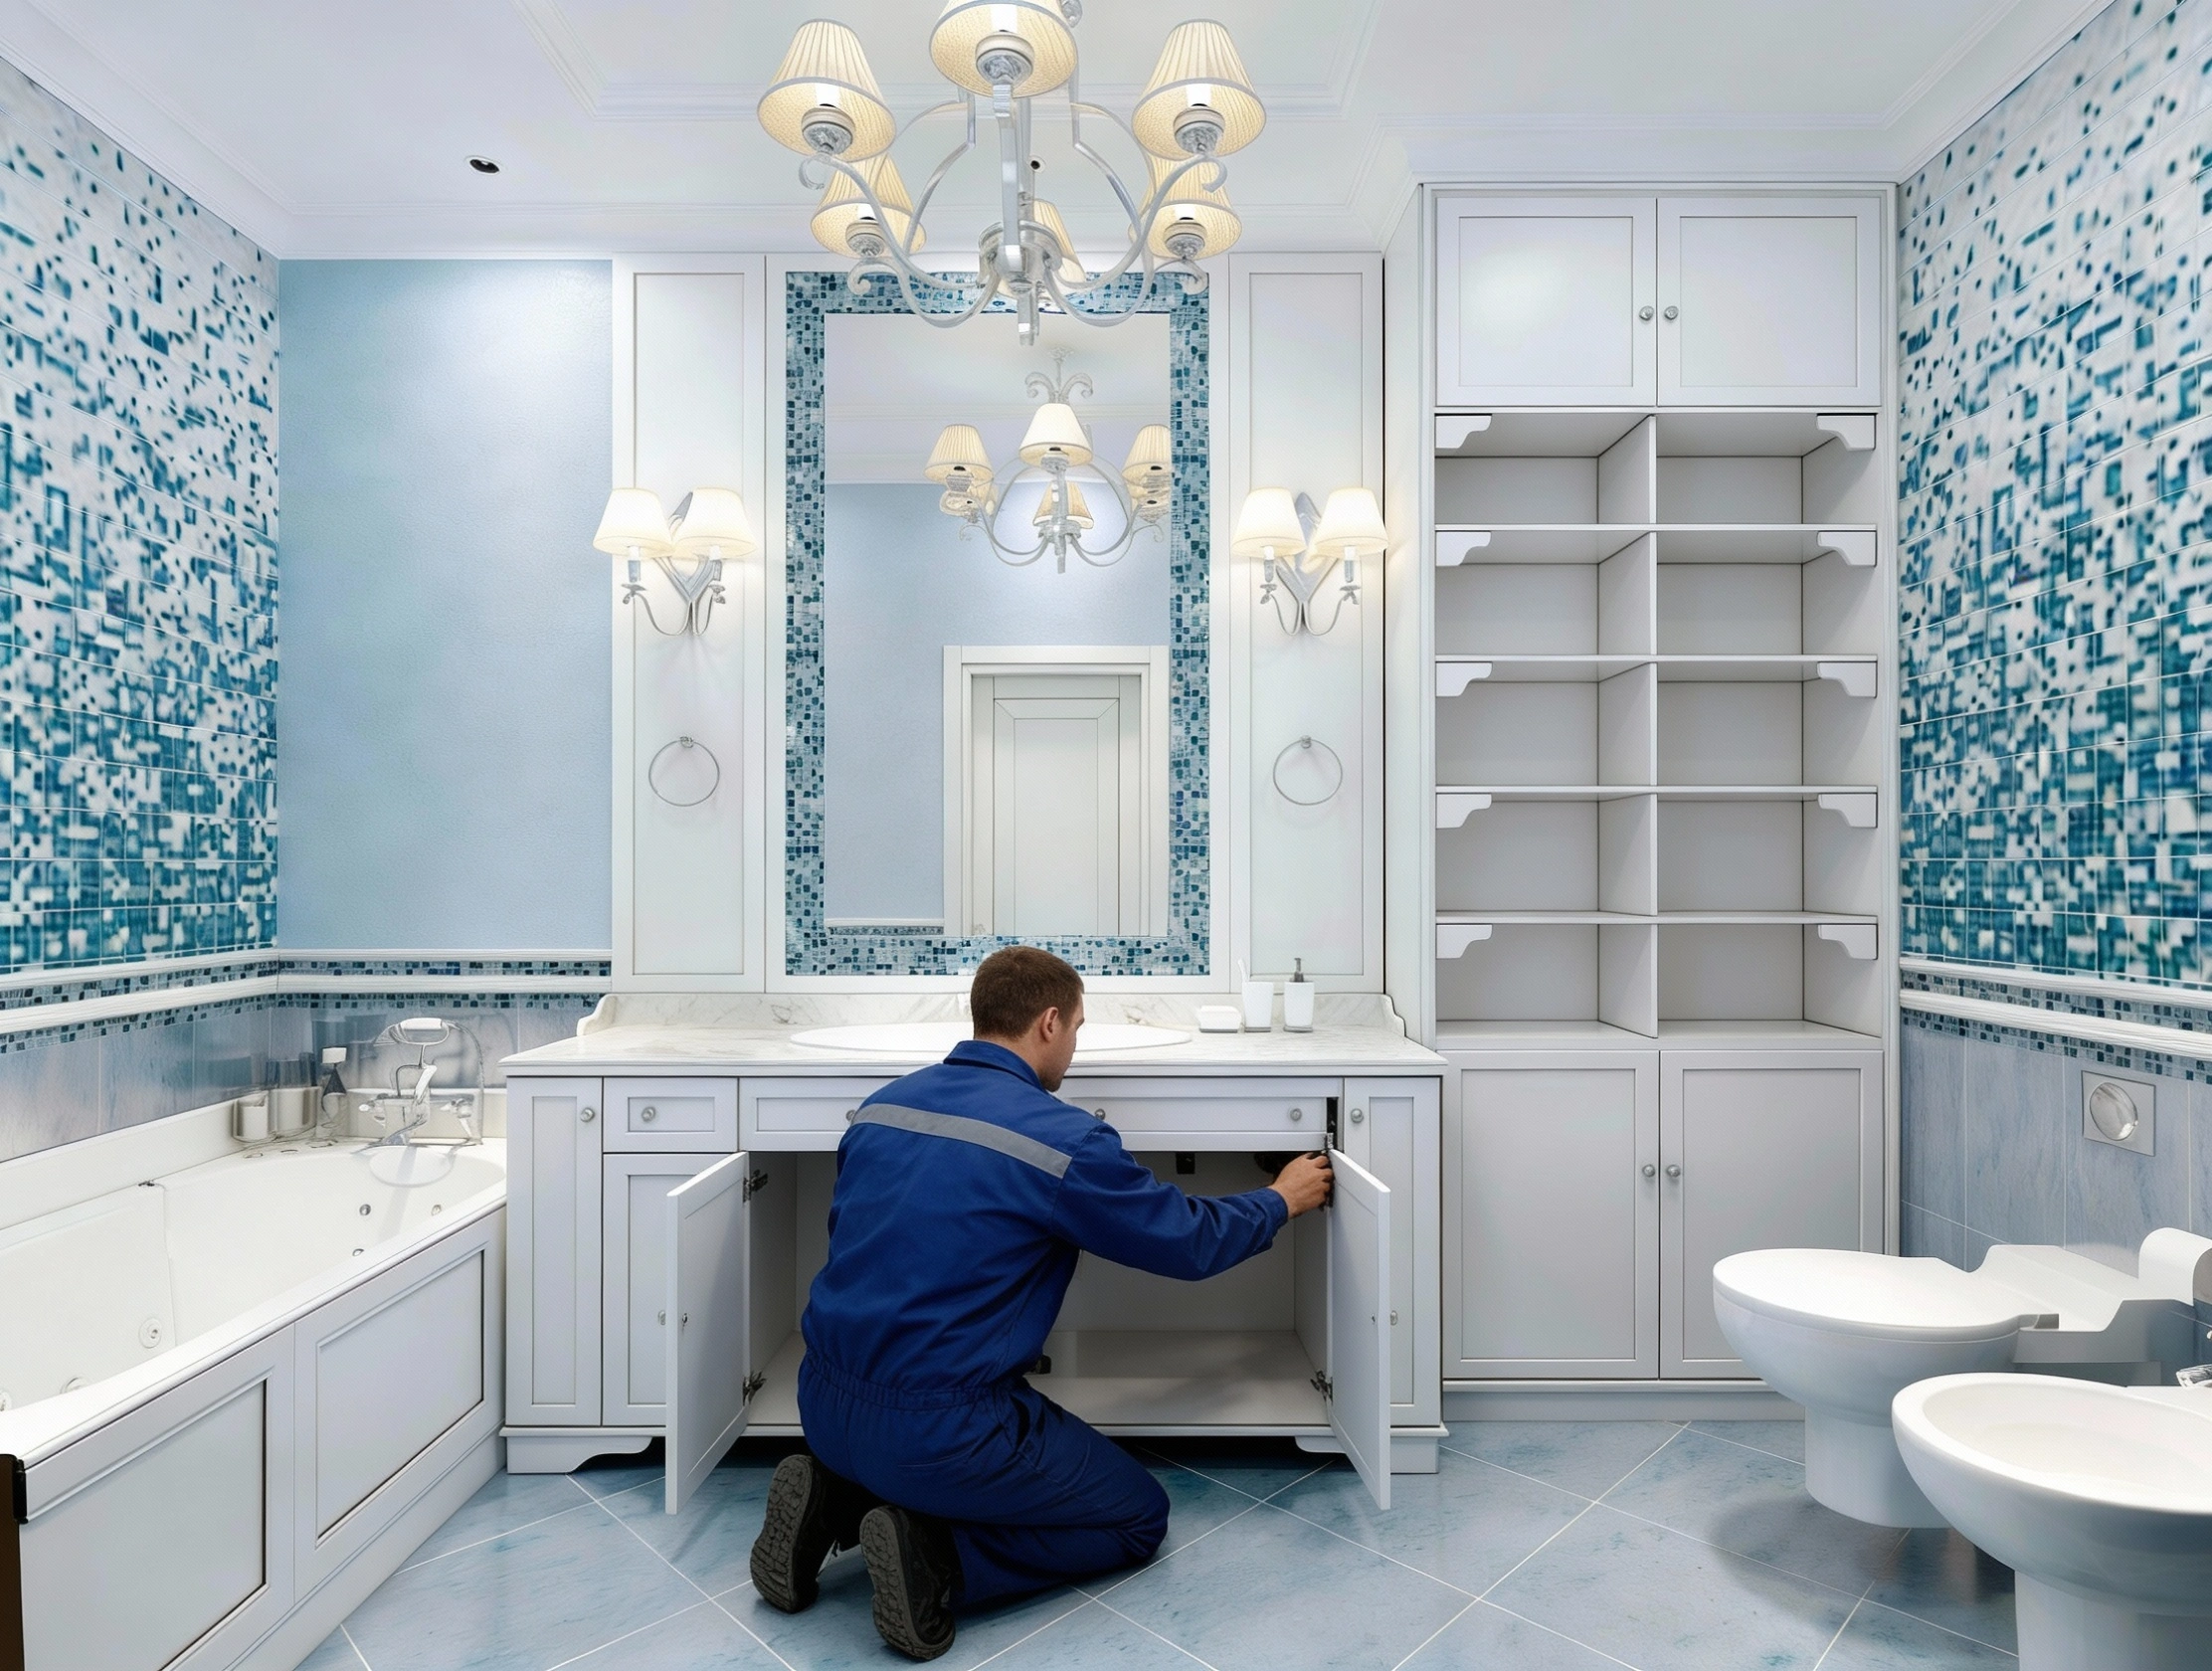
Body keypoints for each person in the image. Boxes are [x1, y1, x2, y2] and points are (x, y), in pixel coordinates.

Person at [746, 946, 1333, 1660]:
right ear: (1049, 1023)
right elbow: (1185, 1243)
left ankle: (836, 1499)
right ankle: (940, 1558)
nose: (1076, 1050)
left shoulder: (882, 1107)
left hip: (823, 1403)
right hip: (942, 1433)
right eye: (1078, 1029)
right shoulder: (1062, 1140)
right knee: (1136, 1517)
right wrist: (1280, 1199)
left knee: (909, 1416)